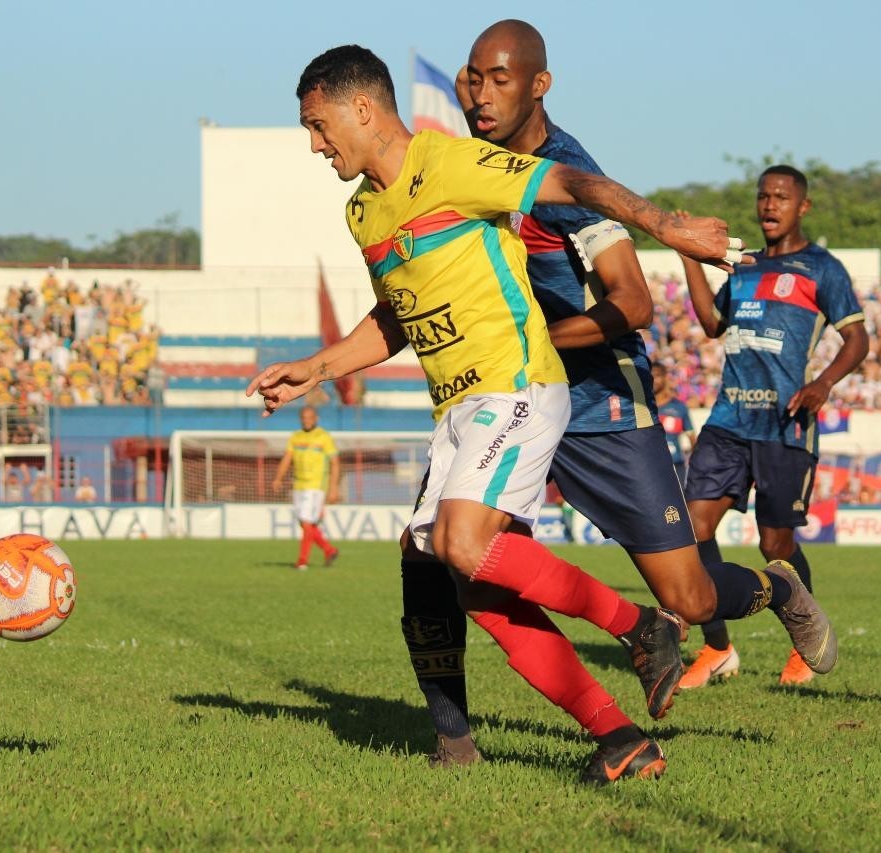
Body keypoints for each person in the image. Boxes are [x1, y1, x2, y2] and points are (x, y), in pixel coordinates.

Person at [249, 44, 742, 783]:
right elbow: (395, 317)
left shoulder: (451, 163)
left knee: (459, 539)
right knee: (481, 588)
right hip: (456, 409)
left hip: (515, 386)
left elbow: (572, 180)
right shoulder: (365, 211)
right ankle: (619, 739)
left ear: (361, 108)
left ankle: (638, 626)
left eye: (319, 126)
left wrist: (666, 226)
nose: (315, 145)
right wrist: (315, 368)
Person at [393, 19, 838, 765]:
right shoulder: (465, 169)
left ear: (540, 85)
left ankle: (778, 590)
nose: (480, 93)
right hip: (513, 401)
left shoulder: (569, 174)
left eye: (501, 78)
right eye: (474, 77)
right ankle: (464, 737)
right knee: (453, 560)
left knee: (691, 598)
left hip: (600, 402)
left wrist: (529, 345)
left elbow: (633, 302)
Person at [680, 165, 869, 687]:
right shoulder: (742, 268)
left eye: (781, 198)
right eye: (763, 196)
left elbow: (858, 340)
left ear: (802, 206)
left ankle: (805, 646)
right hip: (728, 421)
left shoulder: (821, 268)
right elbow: (713, 326)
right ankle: (717, 648)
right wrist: (689, 260)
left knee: (775, 547)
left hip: (784, 425)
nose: (769, 206)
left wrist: (823, 384)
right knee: (692, 532)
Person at [271, 404, 341, 570]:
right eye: (304, 418)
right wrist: (278, 478)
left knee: (307, 523)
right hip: (298, 484)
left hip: (315, 486)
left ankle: (302, 561)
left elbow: (335, 463)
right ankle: (329, 550)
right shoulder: (295, 437)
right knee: (305, 524)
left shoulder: (324, 437)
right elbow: (287, 458)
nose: (306, 421)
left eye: (310, 418)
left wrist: (333, 488)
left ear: (316, 419)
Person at [652, 362, 696, 473]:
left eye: (656, 375)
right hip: (650, 467)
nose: (652, 379)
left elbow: (692, 439)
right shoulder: (642, 407)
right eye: (649, 376)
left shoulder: (679, 407)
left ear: (665, 377)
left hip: (676, 466)